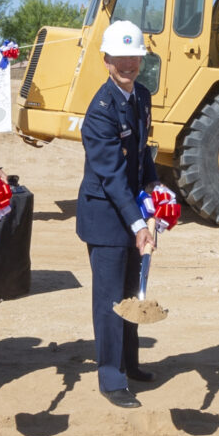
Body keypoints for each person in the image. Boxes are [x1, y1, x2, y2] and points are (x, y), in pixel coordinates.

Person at [78, 20, 161, 407]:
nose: (128, 64)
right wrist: (138, 222)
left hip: (131, 210)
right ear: (106, 59)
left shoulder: (141, 96)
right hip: (106, 217)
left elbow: (142, 153)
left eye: (135, 57)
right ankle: (111, 377)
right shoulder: (100, 111)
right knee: (111, 300)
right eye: (120, 58)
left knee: (131, 291)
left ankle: (129, 362)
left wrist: (155, 190)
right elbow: (111, 175)